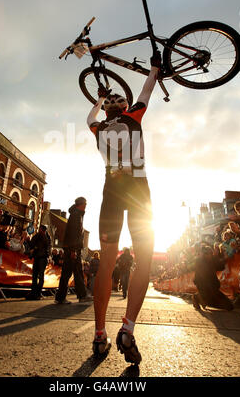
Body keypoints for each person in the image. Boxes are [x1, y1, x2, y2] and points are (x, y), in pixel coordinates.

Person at [87, 53, 161, 363]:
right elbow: (147, 89)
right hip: (138, 189)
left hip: (111, 193)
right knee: (142, 260)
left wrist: (98, 100)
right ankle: (127, 329)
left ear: (107, 110)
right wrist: (155, 67)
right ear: (125, 107)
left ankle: (100, 334)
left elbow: (89, 117)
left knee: (106, 265)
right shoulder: (134, 118)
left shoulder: (99, 129)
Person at [54, 197, 91, 304]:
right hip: (73, 249)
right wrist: (73, 250)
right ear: (81, 204)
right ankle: (82, 295)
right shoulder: (76, 215)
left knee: (66, 273)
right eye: (85, 204)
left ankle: (60, 298)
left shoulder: (75, 214)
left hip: (70, 248)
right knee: (78, 272)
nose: (86, 206)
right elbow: (74, 234)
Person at [192, 245, 233, 311]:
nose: (210, 255)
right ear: (204, 254)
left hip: (213, 287)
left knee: (229, 306)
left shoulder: (212, 260)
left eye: (211, 253)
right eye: (208, 254)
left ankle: (203, 298)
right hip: (203, 285)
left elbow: (220, 267)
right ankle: (197, 297)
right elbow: (200, 275)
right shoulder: (199, 261)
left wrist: (223, 257)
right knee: (207, 300)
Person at [26, 224, 51, 300]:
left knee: (40, 275)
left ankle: (38, 292)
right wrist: (28, 240)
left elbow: (47, 245)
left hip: (43, 258)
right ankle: (33, 292)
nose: (39, 230)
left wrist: (36, 248)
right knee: (34, 275)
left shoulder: (47, 237)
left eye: (41, 229)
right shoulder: (37, 236)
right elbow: (32, 244)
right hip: (37, 257)